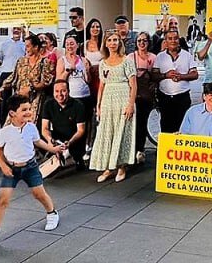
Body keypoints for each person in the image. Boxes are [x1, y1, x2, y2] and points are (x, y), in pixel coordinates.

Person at [0, 95, 61, 245]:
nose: (29, 112)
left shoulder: (31, 127)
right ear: (12, 113)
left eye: (30, 109)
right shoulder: (6, 131)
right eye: (24, 110)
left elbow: (38, 142)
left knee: (39, 194)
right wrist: (3, 166)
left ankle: (52, 213)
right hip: (12, 169)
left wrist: (53, 148)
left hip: (30, 166)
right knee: (3, 200)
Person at [90, 33, 137, 182]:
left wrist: (130, 104)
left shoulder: (127, 61)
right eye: (109, 40)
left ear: (119, 42)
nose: (112, 43)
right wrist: (98, 105)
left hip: (123, 98)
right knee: (106, 132)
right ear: (105, 43)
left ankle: (121, 167)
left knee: (122, 132)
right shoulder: (103, 63)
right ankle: (108, 167)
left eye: (115, 40)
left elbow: (133, 85)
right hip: (108, 101)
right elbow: (102, 85)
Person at [1, 32, 55, 123]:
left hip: (35, 101)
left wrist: (31, 88)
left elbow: (46, 81)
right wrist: (0, 91)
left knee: (29, 126)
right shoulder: (21, 61)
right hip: (19, 99)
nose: (26, 49)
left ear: (36, 47)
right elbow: (12, 78)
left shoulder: (44, 62)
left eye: (28, 46)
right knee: (12, 125)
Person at [153, 29, 199, 134]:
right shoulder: (160, 56)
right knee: (165, 126)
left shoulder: (187, 55)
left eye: (175, 38)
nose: (173, 41)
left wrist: (181, 76)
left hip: (182, 97)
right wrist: (166, 75)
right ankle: (166, 149)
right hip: (165, 97)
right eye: (170, 38)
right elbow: (154, 75)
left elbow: (195, 74)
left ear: (179, 40)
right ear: (165, 41)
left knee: (182, 127)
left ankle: (180, 150)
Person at [41, 80, 89, 169]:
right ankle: (53, 155)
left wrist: (70, 142)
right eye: (57, 91)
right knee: (40, 136)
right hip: (57, 136)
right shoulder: (48, 104)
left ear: (68, 91)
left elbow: (81, 130)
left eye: (63, 91)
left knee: (80, 139)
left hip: (73, 137)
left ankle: (77, 158)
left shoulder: (78, 105)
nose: (60, 94)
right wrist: (50, 139)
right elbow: (44, 128)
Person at [56, 35, 94, 145]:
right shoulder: (62, 60)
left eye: (72, 43)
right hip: (71, 96)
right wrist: (68, 70)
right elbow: (59, 80)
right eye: (67, 44)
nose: (69, 46)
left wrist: (87, 70)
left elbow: (88, 80)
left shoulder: (83, 60)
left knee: (85, 123)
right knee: (71, 124)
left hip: (85, 95)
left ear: (77, 45)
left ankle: (85, 146)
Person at [130, 32, 159, 161]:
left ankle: (140, 150)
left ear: (149, 42)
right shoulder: (131, 57)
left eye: (145, 41)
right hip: (133, 95)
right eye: (139, 40)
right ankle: (132, 150)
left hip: (147, 96)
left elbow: (156, 76)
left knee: (142, 124)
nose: (142, 43)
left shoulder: (153, 57)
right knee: (133, 125)